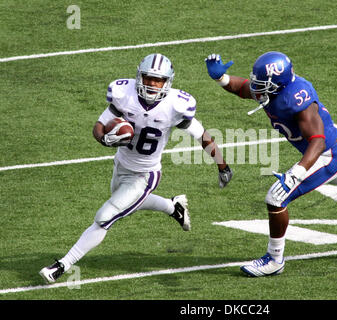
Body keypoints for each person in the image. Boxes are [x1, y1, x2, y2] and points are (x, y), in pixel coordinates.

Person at [205, 52, 337, 277]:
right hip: (334, 140)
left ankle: (275, 259)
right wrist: (222, 79)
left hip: (326, 154)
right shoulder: (274, 90)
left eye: (263, 84)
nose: (256, 88)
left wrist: (297, 172)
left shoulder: (297, 98)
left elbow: (317, 141)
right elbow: (244, 88)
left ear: (278, 84)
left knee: (276, 197)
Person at [39, 53, 233, 283]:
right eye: (148, 78)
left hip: (145, 174)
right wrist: (104, 139)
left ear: (167, 82)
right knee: (128, 203)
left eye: (158, 80)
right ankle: (174, 208)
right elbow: (99, 126)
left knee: (104, 217)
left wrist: (223, 166)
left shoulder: (177, 105)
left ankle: (62, 265)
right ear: (139, 76)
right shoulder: (124, 94)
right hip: (121, 164)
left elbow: (203, 137)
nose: (152, 84)